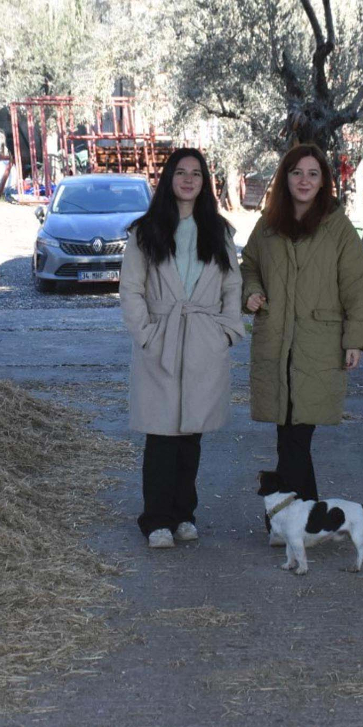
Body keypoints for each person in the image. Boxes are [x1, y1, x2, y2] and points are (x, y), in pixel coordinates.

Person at [121, 148, 245, 549]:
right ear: (169, 178)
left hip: (204, 341)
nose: (189, 179)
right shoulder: (145, 231)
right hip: (162, 339)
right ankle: (156, 520)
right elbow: (131, 290)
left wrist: (226, 332)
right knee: (161, 436)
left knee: (191, 434)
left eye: (196, 173)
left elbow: (232, 286)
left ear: (205, 182)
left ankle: (184, 515)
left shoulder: (219, 231)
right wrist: (146, 334)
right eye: (181, 172)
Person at [240, 143, 363, 504]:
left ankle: (297, 519)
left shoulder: (338, 228)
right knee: (288, 437)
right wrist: (251, 292)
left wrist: (354, 340)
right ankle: (299, 519)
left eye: (313, 174)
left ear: (323, 181)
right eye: (297, 172)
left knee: (296, 438)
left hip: (318, 346)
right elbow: (248, 266)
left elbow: (357, 287)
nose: (304, 180)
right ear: (285, 178)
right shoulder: (267, 226)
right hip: (276, 344)